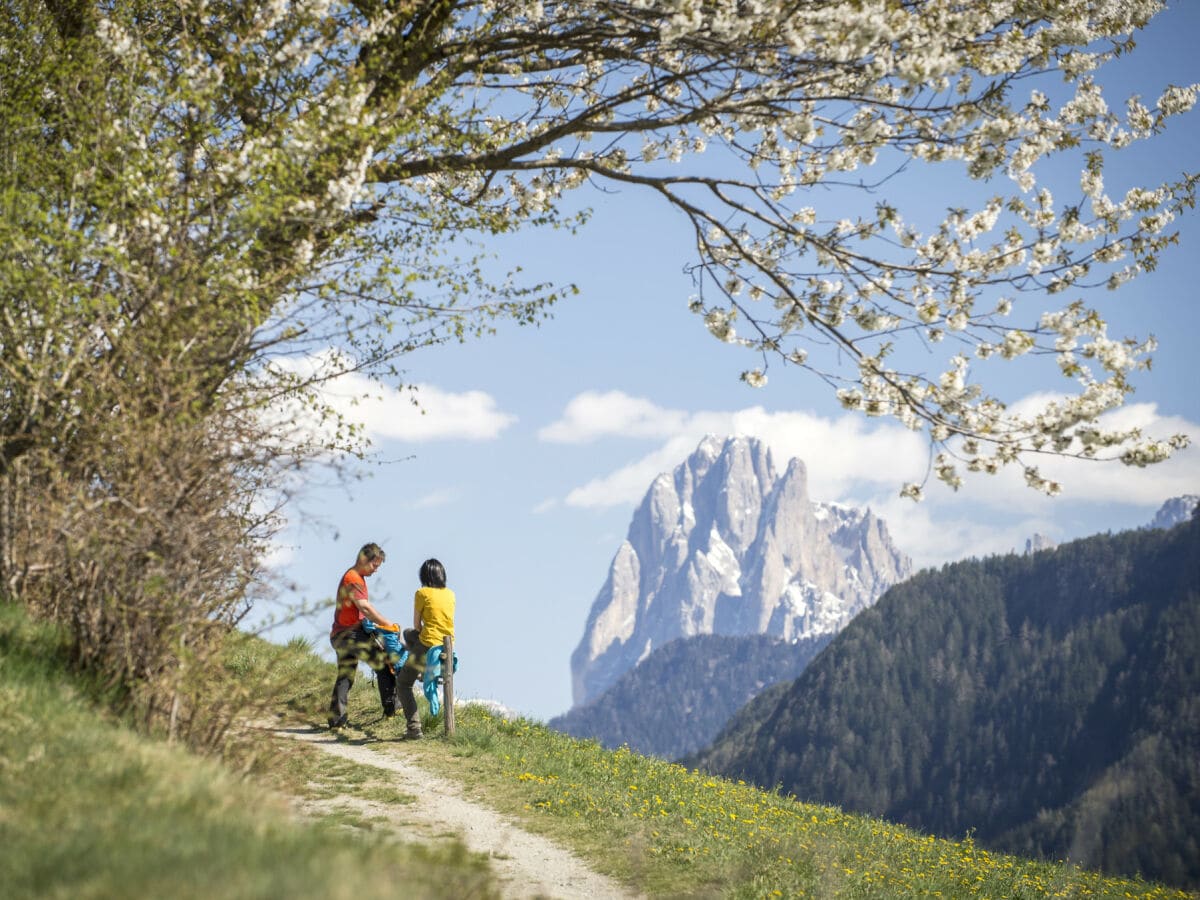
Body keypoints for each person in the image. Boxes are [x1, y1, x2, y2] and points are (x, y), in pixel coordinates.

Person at [327, 542, 400, 729]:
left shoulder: (354, 577)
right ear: (363, 559)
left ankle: (336, 720)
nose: (376, 570)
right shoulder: (354, 579)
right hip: (351, 634)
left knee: (346, 675)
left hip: (339, 634)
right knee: (383, 663)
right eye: (374, 565)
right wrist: (388, 625)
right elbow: (365, 607)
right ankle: (393, 709)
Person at [397, 558, 456, 740]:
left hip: (427, 645)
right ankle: (422, 670)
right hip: (447, 646)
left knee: (403, 684)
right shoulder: (450, 594)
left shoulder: (422, 593)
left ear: (424, 576)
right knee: (408, 634)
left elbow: (417, 625)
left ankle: (414, 728)